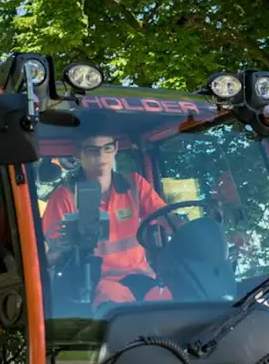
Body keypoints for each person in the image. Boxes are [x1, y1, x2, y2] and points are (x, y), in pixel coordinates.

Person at [40, 131, 172, 308]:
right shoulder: (65, 197)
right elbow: (48, 257)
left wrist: (189, 232)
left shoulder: (135, 184)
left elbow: (166, 217)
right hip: (95, 284)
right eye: (93, 150)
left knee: (177, 306)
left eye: (107, 148)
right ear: (79, 154)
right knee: (123, 314)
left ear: (115, 148)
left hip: (142, 277)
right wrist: (69, 244)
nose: (101, 156)